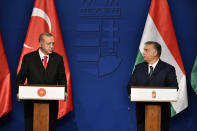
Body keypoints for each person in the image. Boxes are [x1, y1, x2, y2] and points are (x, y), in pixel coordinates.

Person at [16, 32, 67, 131]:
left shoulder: (58, 59)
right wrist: (19, 92)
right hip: (31, 104)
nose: (52, 46)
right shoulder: (28, 58)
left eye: (53, 43)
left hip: (51, 104)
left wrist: (64, 91)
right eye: (49, 44)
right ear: (40, 44)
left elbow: (62, 78)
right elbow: (20, 78)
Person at [127, 41, 178, 131]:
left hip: (161, 116)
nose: (143, 53)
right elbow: (130, 86)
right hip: (142, 115)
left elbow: (174, 88)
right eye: (144, 50)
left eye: (146, 50)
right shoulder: (139, 68)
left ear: (155, 53)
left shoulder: (168, 69)